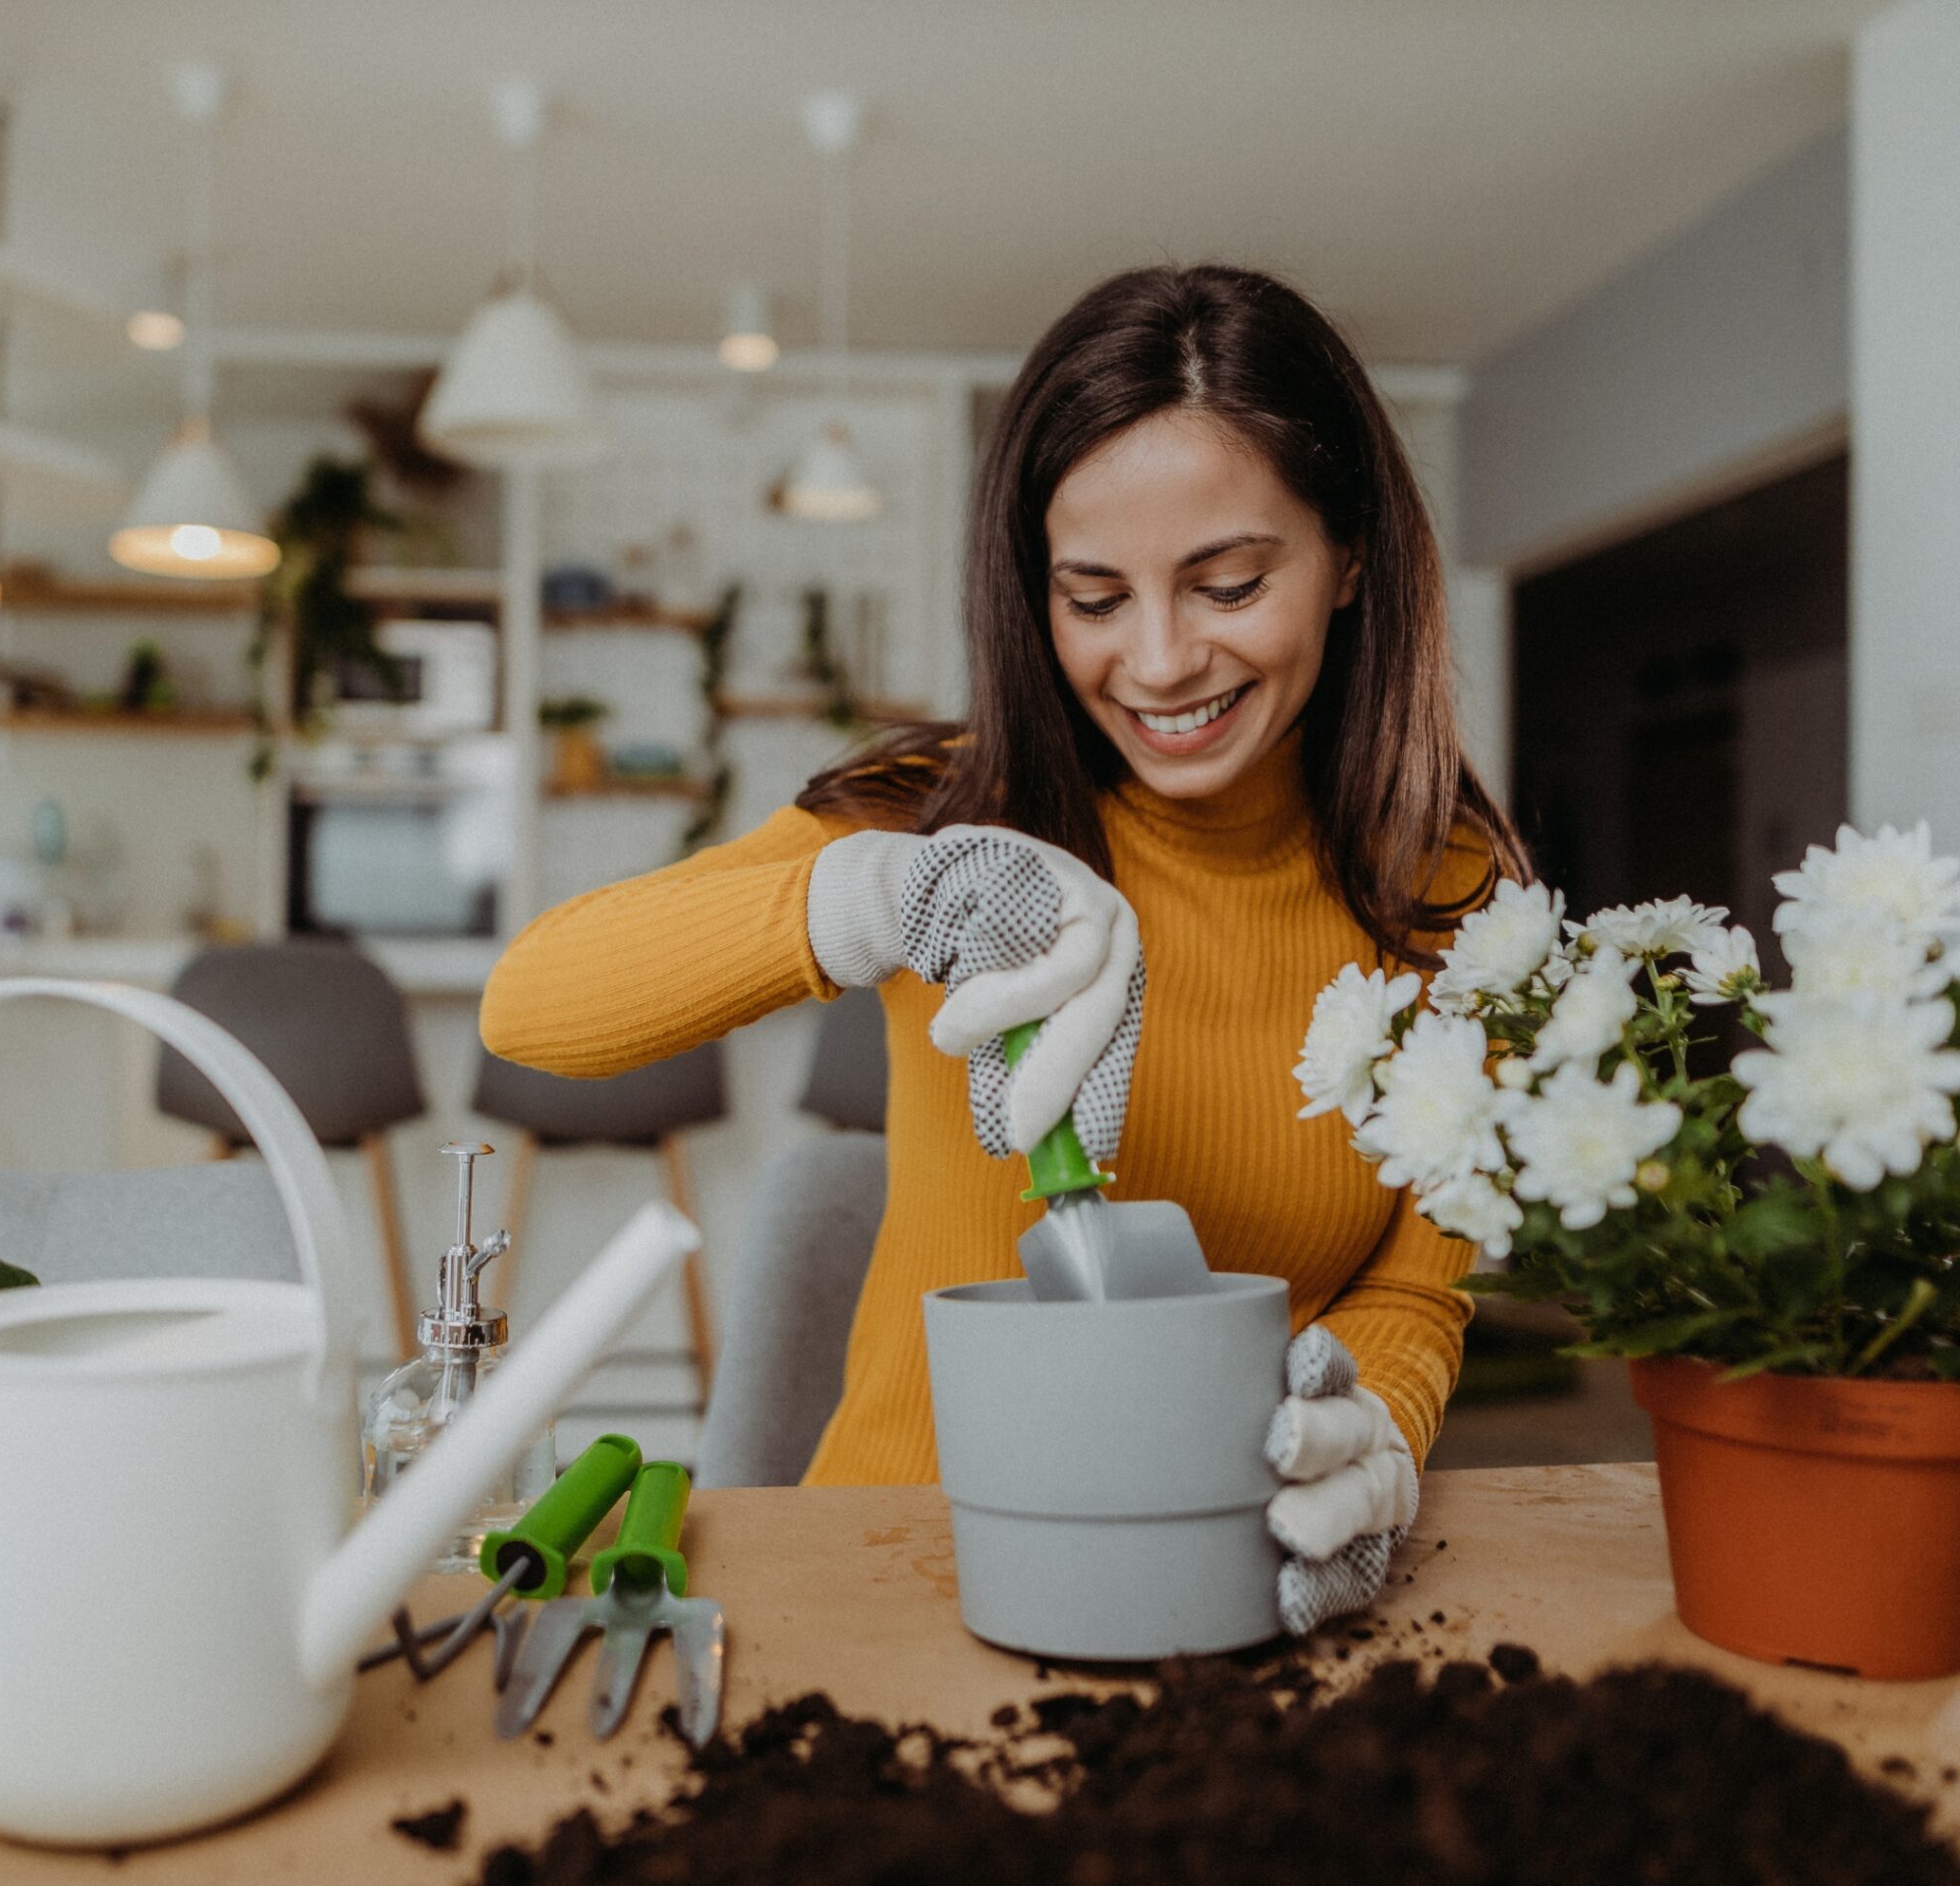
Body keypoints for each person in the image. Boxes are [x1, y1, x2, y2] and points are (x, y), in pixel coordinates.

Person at [481, 263, 1523, 1632]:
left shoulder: (1453, 896)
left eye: (1225, 582)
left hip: (1229, 1590)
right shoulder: (948, 821)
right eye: (1094, 598)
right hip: (886, 1576)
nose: (1158, 663)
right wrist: (875, 900)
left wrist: (1367, 1437)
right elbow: (531, 1007)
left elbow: (1412, 1287)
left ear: (1348, 562)